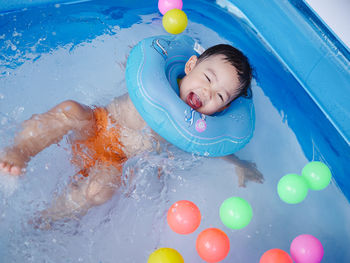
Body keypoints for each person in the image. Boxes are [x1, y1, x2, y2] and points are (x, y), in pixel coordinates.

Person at [0, 43, 263, 221]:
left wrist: (237, 162)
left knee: (100, 191)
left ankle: (48, 217)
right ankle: (20, 150)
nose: (207, 93)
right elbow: (140, 67)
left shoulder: (194, 129)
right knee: (71, 110)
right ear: (190, 65)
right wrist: (131, 60)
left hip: (117, 159)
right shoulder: (158, 80)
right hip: (100, 124)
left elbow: (210, 145)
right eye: (207, 79)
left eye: (219, 95)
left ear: (224, 108)